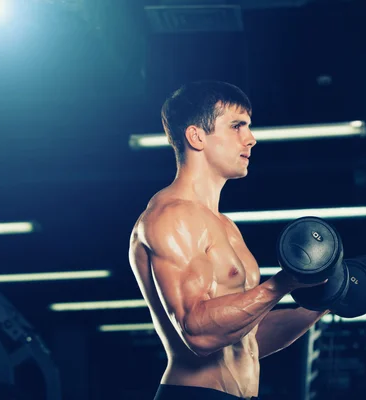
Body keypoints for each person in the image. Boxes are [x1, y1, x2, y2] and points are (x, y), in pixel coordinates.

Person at [128, 81, 329, 400]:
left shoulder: (226, 226)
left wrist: (322, 304)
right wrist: (282, 285)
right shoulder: (172, 217)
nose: (251, 138)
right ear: (196, 136)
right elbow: (197, 333)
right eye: (237, 126)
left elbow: (247, 338)